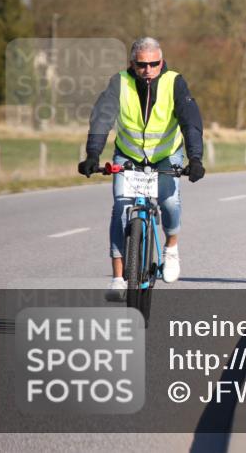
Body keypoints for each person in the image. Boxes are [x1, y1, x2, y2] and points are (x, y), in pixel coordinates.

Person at [77, 37, 205, 300]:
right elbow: (102, 116)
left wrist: (195, 158)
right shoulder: (120, 82)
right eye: (141, 64)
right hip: (129, 154)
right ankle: (117, 279)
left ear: (162, 62)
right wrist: (92, 154)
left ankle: (170, 248)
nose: (148, 69)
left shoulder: (174, 82)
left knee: (169, 202)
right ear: (132, 64)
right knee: (121, 209)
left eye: (154, 64)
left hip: (166, 155)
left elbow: (190, 120)